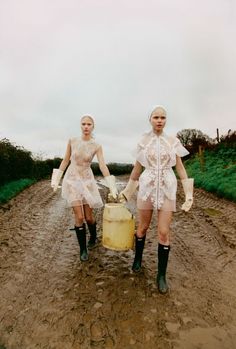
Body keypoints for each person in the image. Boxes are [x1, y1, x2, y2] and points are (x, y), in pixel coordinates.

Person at [119, 105, 194, 294]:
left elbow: (181, 169)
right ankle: (138, 259)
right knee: (142, 228)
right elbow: (137, 169)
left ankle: (161, 275)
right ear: (150, 119)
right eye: (156, 117)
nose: (159, 120)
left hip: (168, 188)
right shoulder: (143, 141)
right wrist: (126, 193)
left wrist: (189, 194)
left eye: (163, 117)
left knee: (163, 232)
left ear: (166, 120)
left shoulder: (172, 141)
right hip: (147, 188)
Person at [51, 115, 118, 261]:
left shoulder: (96, 145)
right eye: (83, 124)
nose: (86, 126)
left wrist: (112, 185)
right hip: (72, 179)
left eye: (89, 124)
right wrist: (56, 178)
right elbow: (65, 160)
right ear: (80, 126)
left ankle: (93, 236)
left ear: (93, 127)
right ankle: (83, 249)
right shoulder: (72, 141)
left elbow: (102, 165)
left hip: (87, 180)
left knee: (89, 217)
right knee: (79, 217)